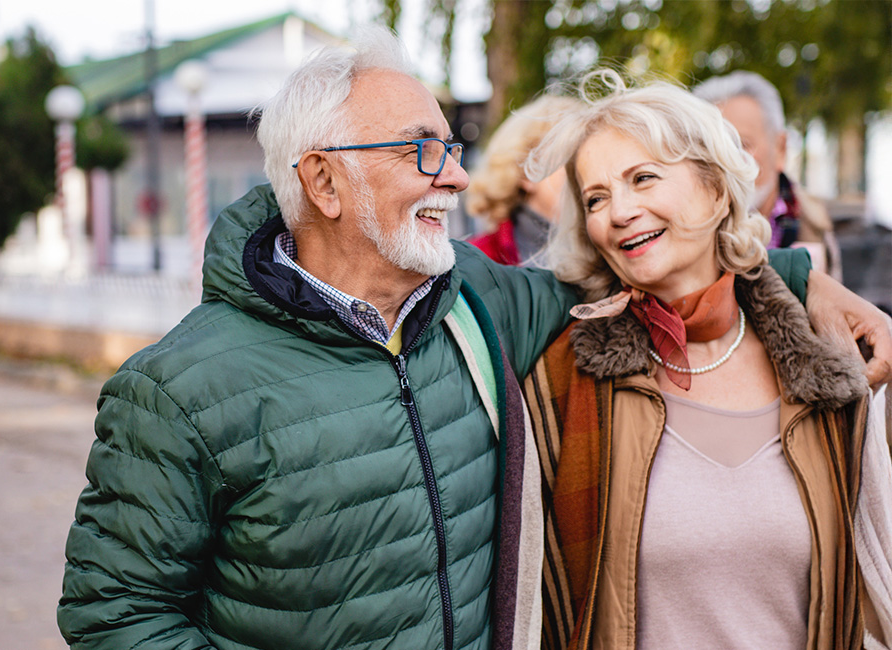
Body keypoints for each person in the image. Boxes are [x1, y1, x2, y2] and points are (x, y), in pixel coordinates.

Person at [56, 29, 892, 650]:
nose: (454, 176)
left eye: (451, 148)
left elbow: (642, 263)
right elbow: (116, 615)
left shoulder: (474, 302)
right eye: (422, 151)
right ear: (323, 180)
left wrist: (799, 274)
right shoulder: (176, 389)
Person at [511, 70, 892, 649]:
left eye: (643, 178)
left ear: (716, 191)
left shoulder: (832, 368)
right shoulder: (563, 379)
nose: (618, 212)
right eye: (597, 198)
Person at [693, 70, 842, 280]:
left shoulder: (813, 225)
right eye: (712, 148)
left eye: (741, 145)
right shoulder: (683, 231)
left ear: (780, 148)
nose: (726, 161)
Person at [465, 95, 581, 266]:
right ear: (527, 172)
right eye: (570, 156)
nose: (584, 169)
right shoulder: (475, 262)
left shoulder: (612, 246)